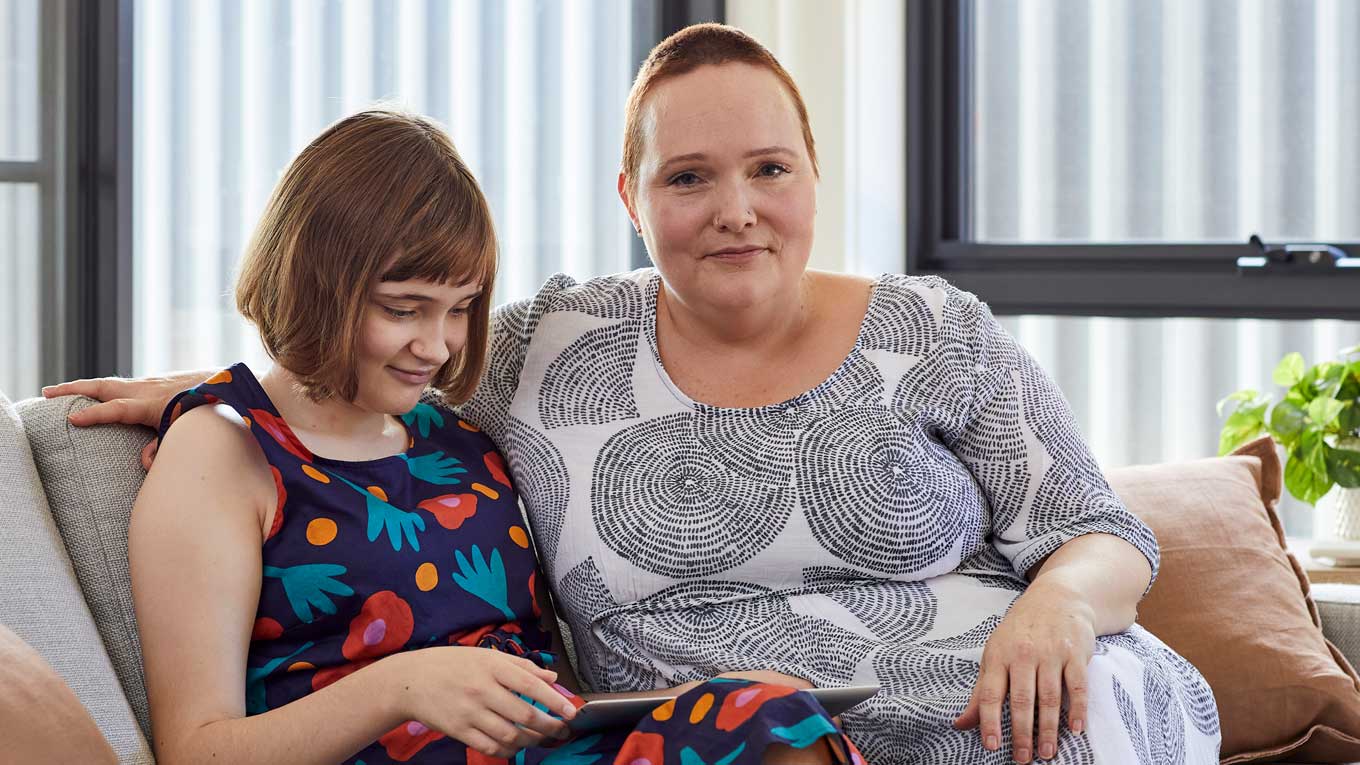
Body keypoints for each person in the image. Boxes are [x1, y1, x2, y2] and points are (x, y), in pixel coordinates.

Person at [48, 25, 1219, 765]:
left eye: (769, 168)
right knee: (770, 716)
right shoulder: (554, 348)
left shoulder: (933, 326)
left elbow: (1095, 528)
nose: (736, 209)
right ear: (632, 196)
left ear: (814, 175)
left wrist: (1059, 607)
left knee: (906, 725)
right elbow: (345, 369)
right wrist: (229, 389)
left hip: (1003, 695)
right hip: (612, 732)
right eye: (689, 177)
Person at [93, 109, 859, 765]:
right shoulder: (220, 452)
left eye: (458, 307)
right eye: (404, 308)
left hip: (554, 748)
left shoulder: (455, 433)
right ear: (313, 283)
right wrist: (403, 685)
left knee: (768, 709)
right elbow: (197, 747)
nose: (438, 345)